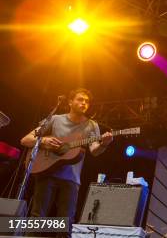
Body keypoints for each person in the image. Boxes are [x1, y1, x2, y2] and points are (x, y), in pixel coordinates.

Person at [20, 88, 113, 230]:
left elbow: (94, 150)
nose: (84, 103)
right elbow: (25, 140)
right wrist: (43, 140)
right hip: (46, 173)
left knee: (66, 223)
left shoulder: (91, 125)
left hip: (71, 179)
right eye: (80, 99)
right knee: (37, 218)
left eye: (87, 101)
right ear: (70, 102)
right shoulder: (55, 119)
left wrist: (104, 144)